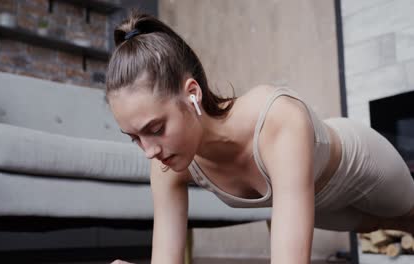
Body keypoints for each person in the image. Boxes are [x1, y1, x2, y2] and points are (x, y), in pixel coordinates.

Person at [106, 11, 414, 264]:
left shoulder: (276, 119)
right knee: (382, 225)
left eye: (156, 129)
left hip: (360, 164)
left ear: (192, 95)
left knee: (410, 217)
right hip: (321, 205)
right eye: (134, 138)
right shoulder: (164, 163)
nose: (148, 150)